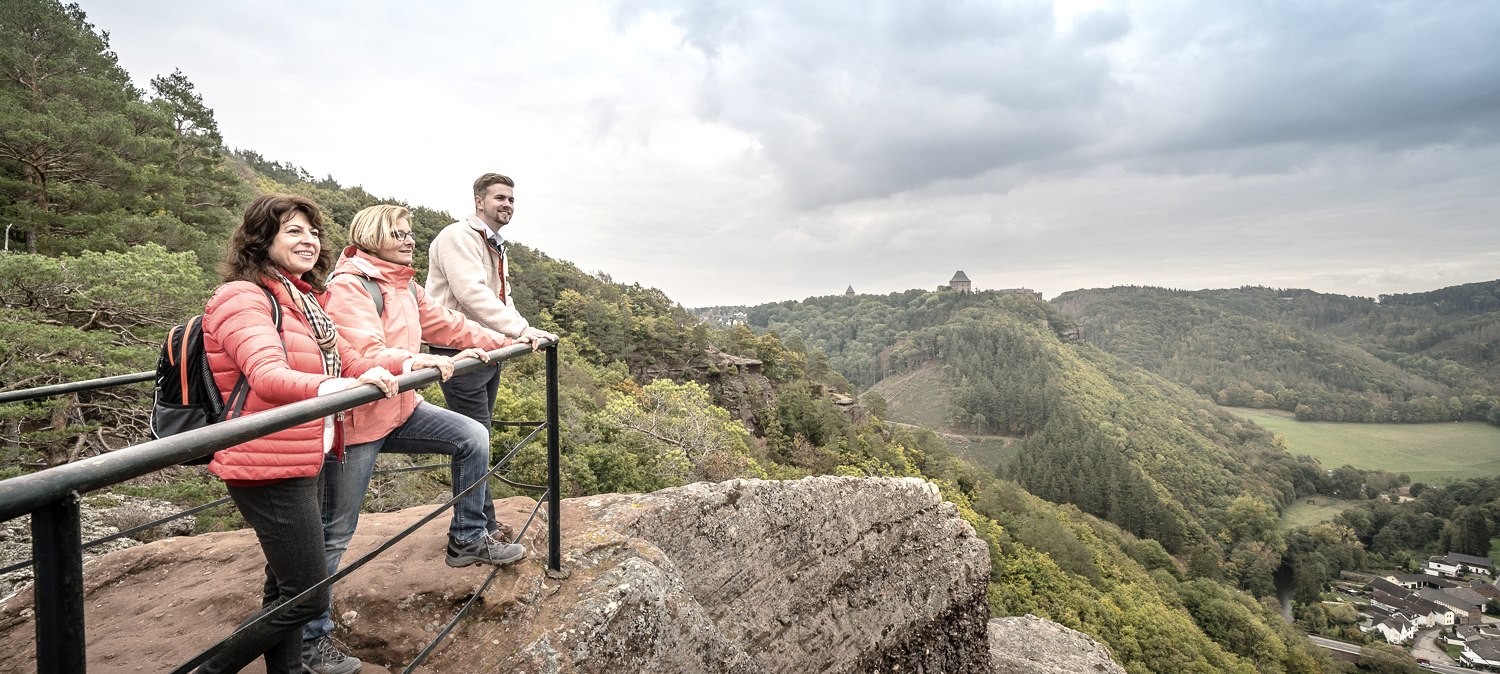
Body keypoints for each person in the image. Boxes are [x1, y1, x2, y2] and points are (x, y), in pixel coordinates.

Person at [302, 204, 525, 672]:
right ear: (371, 236)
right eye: (398, 233)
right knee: (334, 534)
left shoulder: (404, 283)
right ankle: (308, 641)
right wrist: (409, 362)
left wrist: (510, 338)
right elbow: (362, 350)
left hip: (401, 409)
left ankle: (467, 538)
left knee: (471, 436)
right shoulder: (350, 285)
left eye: (409, 233)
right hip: (360, 420)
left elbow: (448, 324)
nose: (409, 240)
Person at [197, 194, 411, 674]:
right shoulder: (242, 297)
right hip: (266, 460)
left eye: (313, 232)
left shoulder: (302, 298)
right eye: (293, 231)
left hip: (304, 453)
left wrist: (409, 363)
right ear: (261, 238)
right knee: (308, 596)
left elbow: (348, 361)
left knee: (285, 588)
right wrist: (340, 387)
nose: (309, 240)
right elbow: (268, 375)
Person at [424, 172, 557, 432]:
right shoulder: (458, 236)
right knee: (474, 434)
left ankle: (477, 474)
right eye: (499, 197)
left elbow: (503, 296)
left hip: (489, 346)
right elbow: (471, 292)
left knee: (478, 433)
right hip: (458, 348)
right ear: (479, 202)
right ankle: (477, 475)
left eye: (511, 199)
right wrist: (519, 330)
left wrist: (522, 328)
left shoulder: (495, 243)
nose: (507, 204)